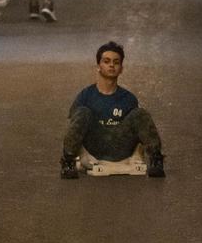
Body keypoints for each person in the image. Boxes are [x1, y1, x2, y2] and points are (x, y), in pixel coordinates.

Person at [60, 41, 165, 179]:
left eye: (116, 62)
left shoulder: (128, 98)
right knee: (82, 112)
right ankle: (68, 162)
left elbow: (138, 132)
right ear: (99, 66)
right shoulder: (85, 95)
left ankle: (156, 160)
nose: (111, 65)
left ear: (121, 68)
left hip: (121, 146)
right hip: (94, 145)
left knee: (140, 113)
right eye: (106, 61)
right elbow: (73, 127)